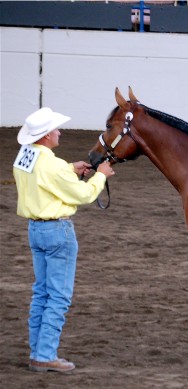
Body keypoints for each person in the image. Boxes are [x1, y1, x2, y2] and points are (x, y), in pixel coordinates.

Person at [13, 107, 115, 373]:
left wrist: (70, 169)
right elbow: (84, 195)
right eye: (55, 129)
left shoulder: (24, 156)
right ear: (46, 135)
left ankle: (38, 352)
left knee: (42, 293)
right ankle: (45, 354)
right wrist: (101, 175)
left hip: (35, 229)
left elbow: (44, 177)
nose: (59, 132)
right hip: (58, 231)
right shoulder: (53, 165)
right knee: (58, 296)